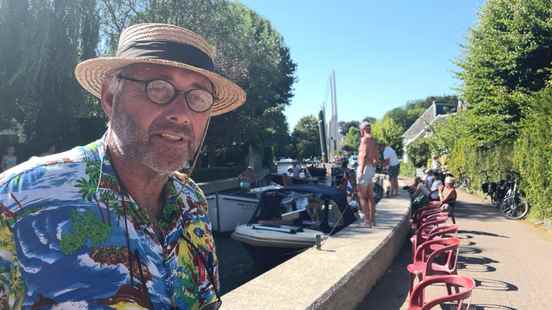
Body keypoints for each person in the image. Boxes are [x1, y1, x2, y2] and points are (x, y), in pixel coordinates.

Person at [0, 23, 246, 309]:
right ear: (109, 97)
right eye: (158, 88)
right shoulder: (16, 201)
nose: (182, 114)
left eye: (198, 97)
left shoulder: (192, 201)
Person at [356, 121, 379, 227]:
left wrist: (361, 171)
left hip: (364, 168)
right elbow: (377, 157)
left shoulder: (365, 139)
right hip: (370, 169)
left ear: (362, 129)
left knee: (362, 196)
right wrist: (373, 166)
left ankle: (366, 221)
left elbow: (364, 155)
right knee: (370, 196)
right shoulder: (373, 140)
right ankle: (373, 220)